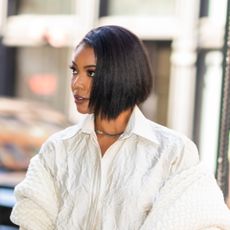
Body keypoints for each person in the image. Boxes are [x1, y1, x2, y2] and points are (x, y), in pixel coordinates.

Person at [10, 25, 230, 230]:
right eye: (74, 70)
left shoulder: (173, 152)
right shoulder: (57, 149)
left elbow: (202, 221)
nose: (76, 83)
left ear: (122, 74)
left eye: (91, 73)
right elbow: (33, 219)